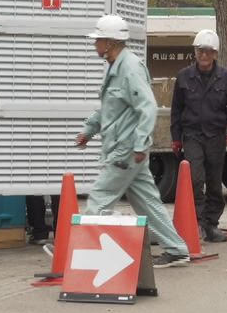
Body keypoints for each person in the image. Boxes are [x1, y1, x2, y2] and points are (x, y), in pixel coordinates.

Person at [73, 15, 190, 266]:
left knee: (100, 198)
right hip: (127, 149)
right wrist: (90, 129)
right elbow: (111, 108)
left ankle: (80, 255)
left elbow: (147, 107)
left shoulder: (130, 68)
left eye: (98, 40)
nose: (95, 45)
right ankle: (177, 249)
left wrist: (139, 144)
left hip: (125, 150)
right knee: (147, 202)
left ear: (110, 43)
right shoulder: (117, 67)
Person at [171, 28, 227, 246]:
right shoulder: (184, 77)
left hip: (216, 137)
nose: (204, 55)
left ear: (215, 54)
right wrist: (176, 138)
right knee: (195, 179)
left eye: (208, 52)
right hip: (192, 135)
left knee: (214, 182)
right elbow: (176, 111)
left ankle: (211, 224)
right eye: (200, 51)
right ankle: (198, 223)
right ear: (195, 52)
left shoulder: (226, 78)